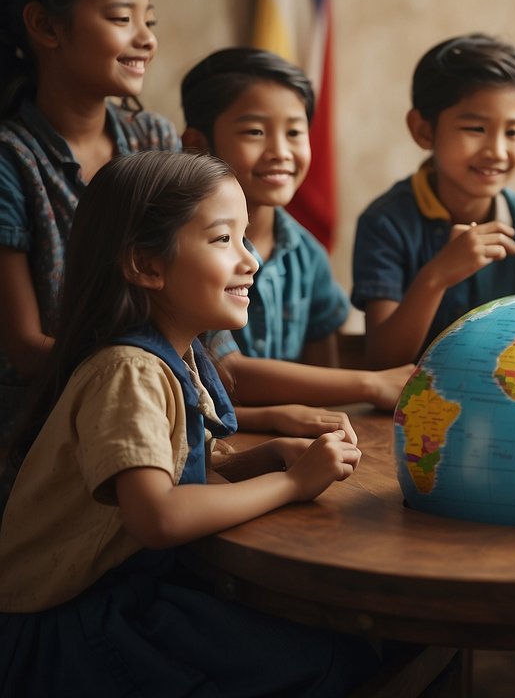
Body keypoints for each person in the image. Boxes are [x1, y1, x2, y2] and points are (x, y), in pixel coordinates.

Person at [0, 151, 380, 695]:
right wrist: (290, 483)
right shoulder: (127, 371)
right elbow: (157, 514)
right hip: (71, 627)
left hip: (122, 594)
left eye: (246, 238)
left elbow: (180, 480)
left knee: (335, 643)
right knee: (320, 660)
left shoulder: (175, 359)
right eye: (223, 239)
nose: (250, 260)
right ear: (147, 266)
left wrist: (266, 456)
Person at [0, 0, 178, 430]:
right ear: (45, 26)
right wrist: (152, 368)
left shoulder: (156, 141)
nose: (146, 38)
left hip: (161, 411)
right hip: (45, 432)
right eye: (122, 18)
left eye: (148, 20)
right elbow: (27, 348)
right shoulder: (11, 160)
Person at [180, 47, 413, 424]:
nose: (280, 152)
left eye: (294, 131)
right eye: (255, 132)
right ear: (197, 143)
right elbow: (226, 375)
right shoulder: (190, 248)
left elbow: (323, 379)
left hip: (289, 439)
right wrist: (369, 384)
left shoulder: (307, 253)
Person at [352, 33, 515, 368]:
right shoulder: (386, 222)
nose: (497, 152)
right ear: (423, 130)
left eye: (513, 132)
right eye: (475, 128)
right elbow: (384, 360)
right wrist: (438, 275)